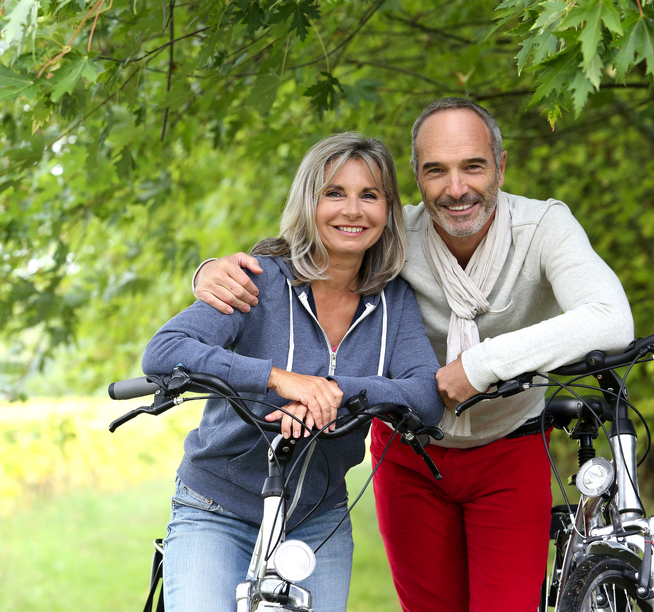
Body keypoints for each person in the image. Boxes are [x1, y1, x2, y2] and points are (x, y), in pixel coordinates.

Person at [192, 98, 634, 612]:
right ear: (416, 179)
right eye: (436, 171)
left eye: (473, 166)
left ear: (501, 166)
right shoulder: (391, 234)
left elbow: (611, 318)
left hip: (509, 449)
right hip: (409, 455)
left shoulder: (543, 228)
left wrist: (479, 366)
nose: (457, 188)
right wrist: (208, 274)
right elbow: (301, 261)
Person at [143, 132, 445, 612]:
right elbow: (165, 351)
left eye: (369, 195)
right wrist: (280, 379)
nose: (353, 210)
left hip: (316, 520)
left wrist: (332, 391)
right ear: (309, 201)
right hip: (217, 510)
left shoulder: (395, 300)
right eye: (334, 193)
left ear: (388, 211)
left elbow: (425, 398)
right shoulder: (259, 280)